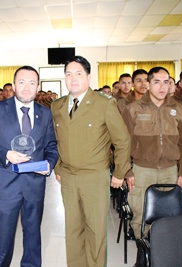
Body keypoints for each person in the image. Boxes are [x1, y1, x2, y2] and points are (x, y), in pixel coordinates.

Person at [51, 56, 131, 267]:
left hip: (94, 177)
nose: (73, 79)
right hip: (67, 177)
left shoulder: (104, 104)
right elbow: (55, 140)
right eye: (68, 74)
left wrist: (119, 173)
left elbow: (122, 141)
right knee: (73, 230)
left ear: (88, 76)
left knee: (95, 230)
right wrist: (58, 166)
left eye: (78, 74)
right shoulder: (57, 106)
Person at [0, 65, 58, 267]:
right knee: (2, 242)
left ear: (37, 86)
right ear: (14, 85)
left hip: (34, 185)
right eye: (21, 82)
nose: (26, 87)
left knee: (33, 239)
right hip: (5, 184)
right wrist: (6, 154)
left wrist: (48, 164)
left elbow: (51, 145)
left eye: (32, 82)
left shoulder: (45, 113)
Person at [121, 67, 182, 265]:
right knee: (141, 215)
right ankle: (144, 257)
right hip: (142, 171)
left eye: (166, 82)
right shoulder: (133, 109)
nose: (162, 86)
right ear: (148, 84)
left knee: (170, 217)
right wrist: (127, 170)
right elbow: (124, 143)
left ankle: (164, 256)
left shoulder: (179, 110)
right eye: (157, 82)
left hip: (171, 171)